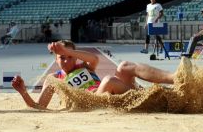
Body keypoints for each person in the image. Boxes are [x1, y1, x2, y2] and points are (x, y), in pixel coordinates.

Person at [12, 40, 185, 110]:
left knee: (124, 66)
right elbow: (40, 107)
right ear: (56, 59)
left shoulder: (86, 66)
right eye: (62, 57)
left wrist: (66, 50)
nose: (66, 61)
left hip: (113, 92)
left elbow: (94, 58)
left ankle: (175, 78)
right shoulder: (54, 79)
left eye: (70, 57)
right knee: (109, 79)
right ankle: (156, 96)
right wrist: (23, 92)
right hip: (93, 102)